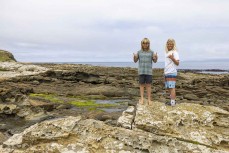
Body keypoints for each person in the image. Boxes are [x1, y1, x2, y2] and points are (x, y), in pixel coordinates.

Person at [133, 38, 158, 105]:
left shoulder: (151, 52)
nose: (145, 44)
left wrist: (156, 57)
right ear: (142, 44)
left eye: (147, 43)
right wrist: (134, 57)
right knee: (141, 85)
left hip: (149, 71)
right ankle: (142, 99)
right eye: (144, 43)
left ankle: (149, 99)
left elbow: (155, 61)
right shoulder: (139, 52)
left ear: (148, 44)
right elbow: (135, 61)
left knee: (148, 86)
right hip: (141, 71)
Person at [164, 38, 180, 106]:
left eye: (171, 44)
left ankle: (173, 103)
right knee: (169, 88)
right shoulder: (167, 52)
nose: (169, 45)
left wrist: (172, 58)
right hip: (167, 72)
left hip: (172, 72)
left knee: (172, 88)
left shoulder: (175, 52)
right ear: (167, 44)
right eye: (168, 44)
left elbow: (177, 63)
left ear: (173, 45)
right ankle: (172, 101)